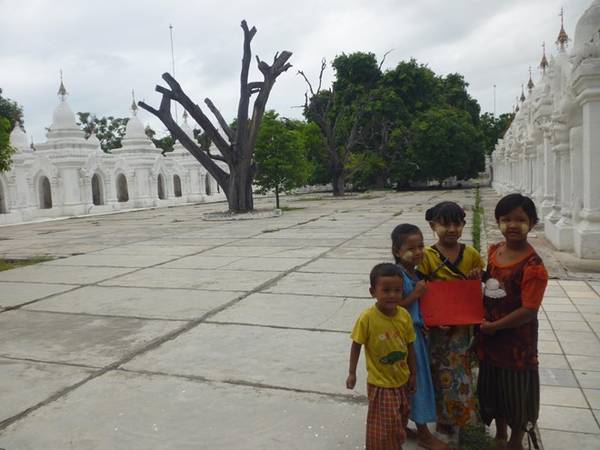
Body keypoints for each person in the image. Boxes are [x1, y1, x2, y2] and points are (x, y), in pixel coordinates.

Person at [477, 194, 547, 450]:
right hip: (490, 339)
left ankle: (516, 439)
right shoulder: (495, 251)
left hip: (517, 343)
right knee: (494, 386)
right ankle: (500, 432)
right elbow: (492, 282)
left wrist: (495, 327)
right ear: (498, 222)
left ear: (533, 223)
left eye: (521, 219)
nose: (513, 225)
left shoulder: (534, 266)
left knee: (515, 392)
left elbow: (529, 310)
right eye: (506, 219)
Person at [417, 201, 484, 435]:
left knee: (460, 371)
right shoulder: (427, 256)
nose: (452, 229)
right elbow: (422, 290)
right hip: (437, 326)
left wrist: (476, 277)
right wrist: (431, 319)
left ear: (464, 225)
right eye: (445, 224)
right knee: (437, 371)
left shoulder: (472, 254)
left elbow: (480, 286)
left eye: (457, 224)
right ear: (433, 226)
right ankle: (442, 418)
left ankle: (460, 414)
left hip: (462, 325)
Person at [346, 263, 417, 450]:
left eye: (397, 290)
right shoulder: (367, 318)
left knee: (400, 417)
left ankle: (394, 444)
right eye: (386, 290)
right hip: (381, 384)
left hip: (402, 379)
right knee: (383, 425)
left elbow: (410, 346)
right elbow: (356, 345)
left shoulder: (404, 316)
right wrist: (352, 373)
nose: (392, 295)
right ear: (373, 291)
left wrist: (413, 375)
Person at [391, 224, 449, 450]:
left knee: (409, 384)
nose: (418, 252)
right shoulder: (396, 276)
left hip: (418, 334)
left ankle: (403, 425)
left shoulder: (414, 273)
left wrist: (434, 322)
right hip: (407, 340)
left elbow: (422, 308)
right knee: (417, 384)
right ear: (397, 251)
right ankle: (424, 434)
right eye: (411, 248)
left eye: (421, 246)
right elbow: (393, 309)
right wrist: (415, 293)